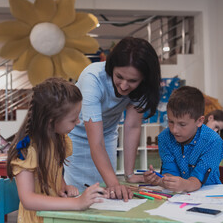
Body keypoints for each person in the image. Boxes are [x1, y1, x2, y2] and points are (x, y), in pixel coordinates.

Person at [64, 36, 161, 201]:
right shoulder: (92, 78)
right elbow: (95, 142)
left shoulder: (142, 87)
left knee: (105, 191)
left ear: (144, 78)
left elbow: (132, 127)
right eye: (119, 77)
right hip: (76, 135)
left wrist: (129, 174)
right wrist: (114, 184)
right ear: (111, 67)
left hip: (107, 134)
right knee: (80, 193)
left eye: (132, 81)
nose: (124, 86)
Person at [6, 77, 107, 223]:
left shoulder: (58, 139)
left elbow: (54, 172)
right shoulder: (26, 150)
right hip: (37, 219)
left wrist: (63, 187)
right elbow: (28, 199)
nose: (78, 122)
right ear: (50, 121)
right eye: (73, 120)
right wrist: (77, 203)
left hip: (54, 215)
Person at [144, 86, 223, 192]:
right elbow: (170, 172)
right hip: (178, 197)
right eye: (171, 122)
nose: (174, 130)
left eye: (182, 124)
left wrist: (184, 184)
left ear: (199, 121)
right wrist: (160, 181)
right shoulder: (165, 137)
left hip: (209, 196)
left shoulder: (213, 141)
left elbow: (196, 181)